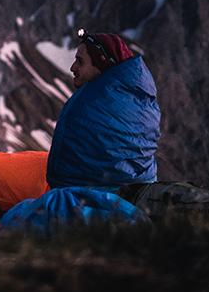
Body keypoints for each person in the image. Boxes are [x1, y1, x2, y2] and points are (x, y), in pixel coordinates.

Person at [46, 29, 160, 190]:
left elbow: (65, 176)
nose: (72, 67)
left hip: (89, 199)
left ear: (101, 64)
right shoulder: (142, 100)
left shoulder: (87, 107)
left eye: (80, 61)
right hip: (139, 193)